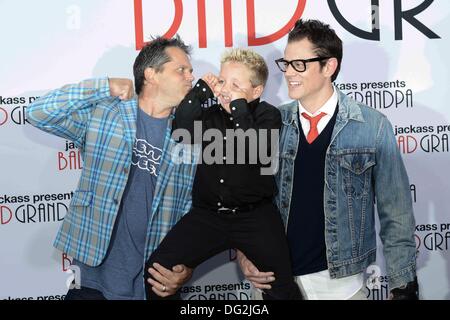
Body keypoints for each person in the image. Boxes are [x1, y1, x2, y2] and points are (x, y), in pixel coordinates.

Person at [237, 19, 419, 300]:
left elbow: (396, 212)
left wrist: (403, 284)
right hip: (275, 282)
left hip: (342, 288)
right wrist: (244, 252)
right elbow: (247, 199)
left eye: (300, 64)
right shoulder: (271, 122)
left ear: (329, 67)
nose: (288, 73)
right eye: (286, 64)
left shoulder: (372, 126)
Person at [26, 36, 198, 300]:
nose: (190, 77)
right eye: (181, 70)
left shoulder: (190, 135)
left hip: (153, 283)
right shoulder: (106, 114)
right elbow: (38, 113)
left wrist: (187, 266)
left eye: (190, 70)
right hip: (93, 281)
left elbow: (192, 211)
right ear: (151, 74)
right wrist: (102, 87)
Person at [144, 48, 302, 300]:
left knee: (280, 288)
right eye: (222, 81)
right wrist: (201, 91)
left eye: (236, 84)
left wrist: (238, 106)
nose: (226, 89)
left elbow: (254, 152)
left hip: (255, 217)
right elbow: (180, 129)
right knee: (157, 271)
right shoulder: (210, 116)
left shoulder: (267, 115)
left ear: (257, 91)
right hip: (207, 216)